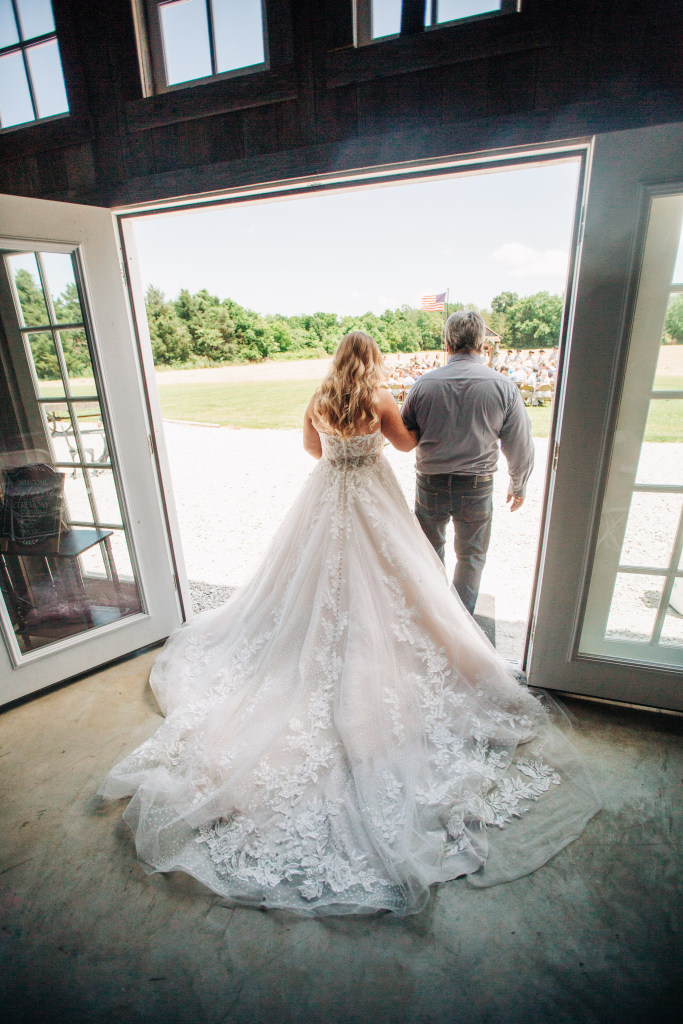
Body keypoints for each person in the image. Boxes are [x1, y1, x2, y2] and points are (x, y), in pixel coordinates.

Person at [99, 330, 599, 917]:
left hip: (328, 494)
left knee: (309, 584)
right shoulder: (381, 401)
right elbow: (408, 446)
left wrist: (340, 446)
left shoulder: (318, 397)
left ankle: (311, 648)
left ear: (339, 360)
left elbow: (312, 452)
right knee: (398, 579)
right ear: (372, 361)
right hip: (372, 496)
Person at [401, 310, 534, 616]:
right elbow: (519, 443)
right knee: (472, 556)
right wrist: (518, 483)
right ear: (482, 344)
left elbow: (405, 433)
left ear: (447, 342)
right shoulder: (502, 386)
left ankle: (433, 616)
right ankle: (462, 620)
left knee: (429, 552)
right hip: (476, 485)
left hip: (431, 481)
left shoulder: (424, 385)